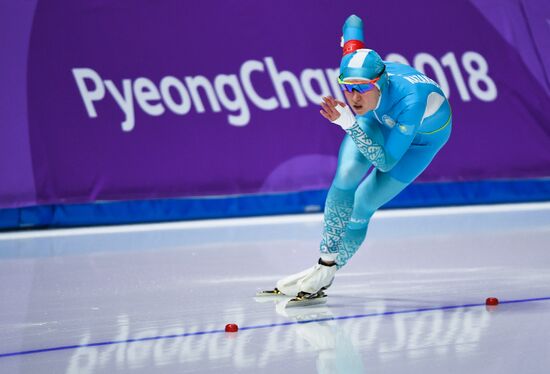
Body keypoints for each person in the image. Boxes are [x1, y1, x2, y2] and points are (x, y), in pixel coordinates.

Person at [267, 14, 452, 303]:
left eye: (362, 88)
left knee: (362, 206)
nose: (353, 98)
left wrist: (349, 124)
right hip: (377, 118)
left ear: (380, 82)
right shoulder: (356, 64)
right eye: (347, 87)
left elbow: (386, 162)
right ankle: (324, 263)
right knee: (346, 176)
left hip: (420, 141)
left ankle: (327, 274)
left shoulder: (411, 101)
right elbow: (353, 21)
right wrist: (348, 40)